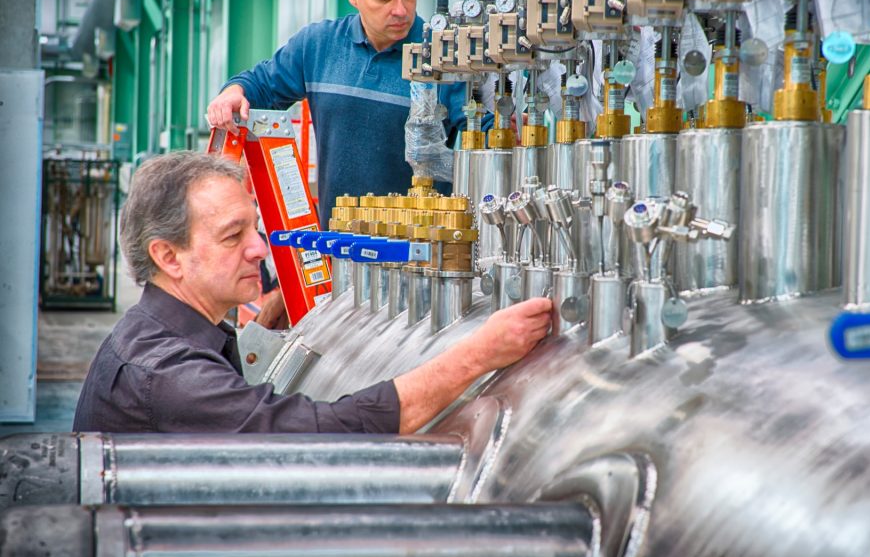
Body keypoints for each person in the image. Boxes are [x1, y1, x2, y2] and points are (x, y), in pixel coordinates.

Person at [72, 151, 551, 434]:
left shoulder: (164, 333)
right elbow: (324, 433)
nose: (260, 249)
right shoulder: (168, 375)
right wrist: (478, 354)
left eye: (255, 230)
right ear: (168, 256)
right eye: (232, 235)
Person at [206, 0, 469, 328]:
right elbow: (261, 83)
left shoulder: (446, 54)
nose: (400, 9)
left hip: (424, 262)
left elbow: (479, 143)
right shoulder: (320, 46)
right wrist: (233, 92)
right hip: (341, 255)